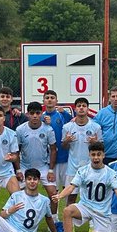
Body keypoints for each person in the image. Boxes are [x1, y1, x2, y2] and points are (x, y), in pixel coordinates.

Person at [57, 140, 117, 232]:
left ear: (103, 155)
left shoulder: (110, 173)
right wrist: (60, 195)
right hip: (85, 206)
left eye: (99, 154)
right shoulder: (83, 171)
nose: (96, 158)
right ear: (89, 155)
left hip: (102, 212)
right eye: (93, 154)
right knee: (67, 211)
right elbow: (71, 187)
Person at [15, 101, 58, 196]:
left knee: (53, 193)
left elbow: (53, 149)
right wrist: (18, 171)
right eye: (32, 113)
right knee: (18, 194)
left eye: (37, 113)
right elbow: (16, 151)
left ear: (41, 114)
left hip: (43, 167)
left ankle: (53, 212)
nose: (35, 116)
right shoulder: (20, 129)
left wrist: (51, 170)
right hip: (25, 166)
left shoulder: (48, 129)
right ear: (27, 114)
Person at [42, 88, 73, 217]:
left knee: (68, 191)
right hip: (49, 162)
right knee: (53, 192)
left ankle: (68, 218)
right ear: (43, 101)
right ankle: (55, 220)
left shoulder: (63, 115)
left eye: (52, 98)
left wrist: (66, 114)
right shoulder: (40, 117)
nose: (49, 99)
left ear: (56, 101)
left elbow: (75, 121)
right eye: (47, 97)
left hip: (65, 158)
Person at [61, 97, 102, 182]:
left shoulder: (96, 127)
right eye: (79, 106)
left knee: (90, 194)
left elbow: (101, 147)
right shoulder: (67, 127)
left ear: (87, 109)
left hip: (90, 166)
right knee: (71, 194)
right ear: (75, 109)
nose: (81, 108)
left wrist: (95, 143)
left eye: (84, 106)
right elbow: (64, 147)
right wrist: (67, 141)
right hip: (72, 167)